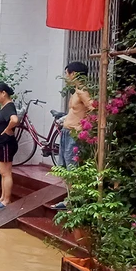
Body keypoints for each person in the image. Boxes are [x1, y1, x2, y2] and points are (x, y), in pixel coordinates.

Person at [52, 61, 94, 210]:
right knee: (64, 168)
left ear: (73, 74)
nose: (66, 76)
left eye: (66, 73)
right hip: (66, 132)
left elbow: (93, 110)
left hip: (74, 134)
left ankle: (75, 201)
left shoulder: (83, 91)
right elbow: (75, 112)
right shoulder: (76, 90)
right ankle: (69, 198)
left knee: (72, 168)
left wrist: (82, 128)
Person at [0, 83, 19, 210]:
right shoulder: (5, 107)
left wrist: (7, 130)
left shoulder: (9, 107)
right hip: (1, 144)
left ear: (3, 93)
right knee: (2, 172)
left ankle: (6, 200)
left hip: (6, 144)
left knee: (6, 172)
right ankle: (2, 197)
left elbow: (15, 120)